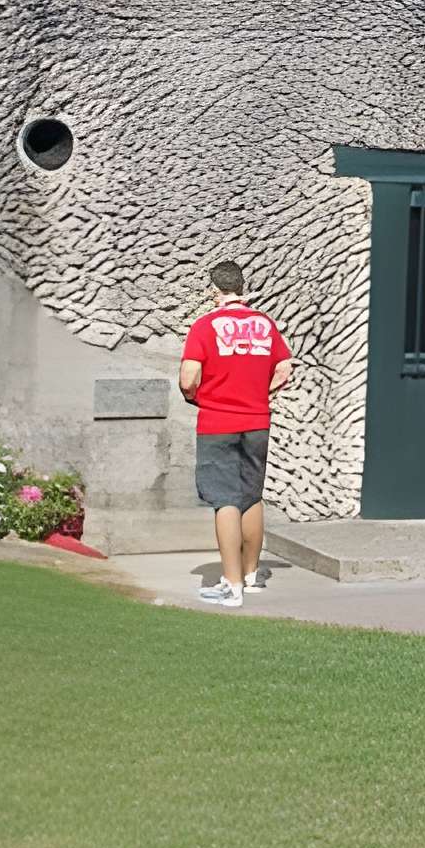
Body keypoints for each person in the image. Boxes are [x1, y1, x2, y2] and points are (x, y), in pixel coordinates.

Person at [179, 260, 291, 609]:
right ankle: (251, 574)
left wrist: (194, 396)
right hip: (257, 420)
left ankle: (230, 585)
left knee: (225, 498)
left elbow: (188, 378)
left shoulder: (205, 326)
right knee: (251, 495)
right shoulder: (264, 324)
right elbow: (285, 367)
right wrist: (264, 393)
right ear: (242, 287)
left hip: (218, 421)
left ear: (214, 290)